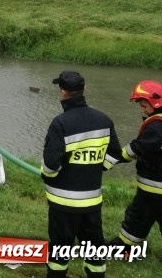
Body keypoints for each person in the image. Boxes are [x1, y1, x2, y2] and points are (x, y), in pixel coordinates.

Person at [41, 70, 122, 278]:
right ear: (85, 89)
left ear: (62, 92)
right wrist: (97, 167)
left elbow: (50, 166)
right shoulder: (104, 120)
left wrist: (48, 176)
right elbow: (115, 154)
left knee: (60, 251)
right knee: (94, 251)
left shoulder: (60, 123)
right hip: (92, 203)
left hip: (62, 204)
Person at [109, 80, 162, 253]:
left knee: (138, 217)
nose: (142, 110)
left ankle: (125, 247)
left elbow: (135, 149)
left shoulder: (157, 127)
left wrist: (110, 160)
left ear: (156, 103)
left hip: (154, 188)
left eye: (144, 106)